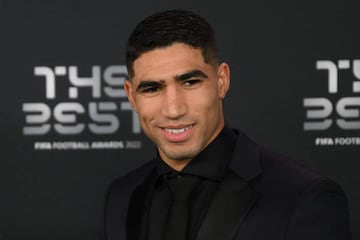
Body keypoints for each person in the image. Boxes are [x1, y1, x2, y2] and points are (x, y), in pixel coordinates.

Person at [104, 9, 352, 240]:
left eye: (190, 82)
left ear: (221, 81)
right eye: (152, 88)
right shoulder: (122, 196)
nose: (173, 109)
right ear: (131, 96)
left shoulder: (304, 198)